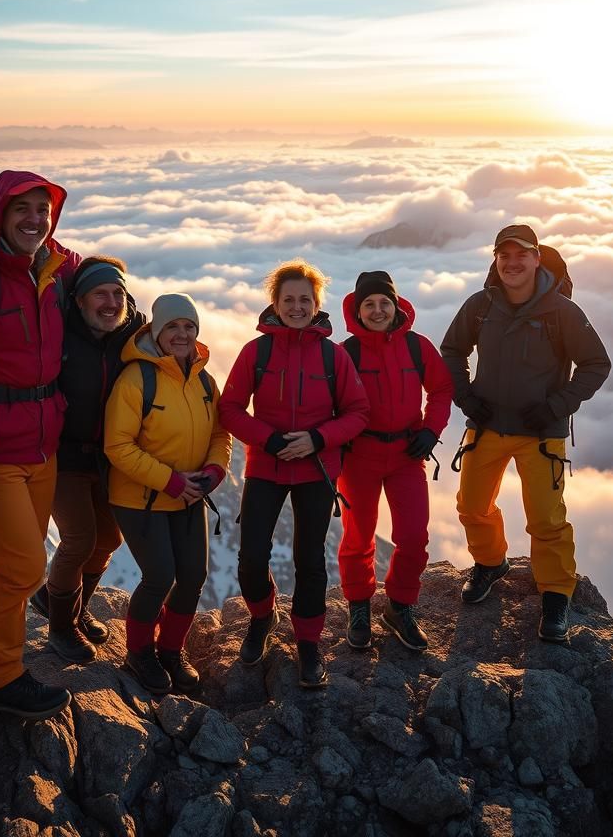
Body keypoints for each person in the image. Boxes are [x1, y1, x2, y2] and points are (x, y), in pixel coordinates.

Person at [440, 224, 611, 643]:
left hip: (541, 433)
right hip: (487, 425)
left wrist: (556, 406)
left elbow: (596, 364)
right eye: (504, 256)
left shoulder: (563, 313)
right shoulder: (480, 306)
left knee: (546, 519)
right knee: (472, 505)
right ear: (496, 261)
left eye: (522, 255)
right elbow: (451, 351)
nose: (512, 263)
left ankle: (555, 593)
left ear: (538, 258)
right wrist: (466, 397)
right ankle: (490, 563)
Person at [220, 260, 369, 688]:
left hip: (317, 469)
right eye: (289, 300)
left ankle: (308, 645)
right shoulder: (257, 352)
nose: (297, 306)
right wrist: (267, 439)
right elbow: (229, 408)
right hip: (266, 467)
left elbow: (358, 412)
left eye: (305, 299)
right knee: (251, 558)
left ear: (316, 304)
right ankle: (263, 617)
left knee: (309, 559)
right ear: (276, 304)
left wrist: (318, 438)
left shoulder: (332, 355)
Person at [0, 170, 77, 719]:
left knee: (20, 565)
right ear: (0, 215)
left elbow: (94, 273)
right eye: (22, 210)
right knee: (21, 569)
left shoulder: (52, 270)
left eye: (44, 209)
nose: (36, 219)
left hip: (44, 442)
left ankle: (0, 664)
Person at [103, 293, 231, 694]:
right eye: (173, 326)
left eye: (189, 327)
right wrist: (172, 480)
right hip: (139, 497)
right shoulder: (135, 379)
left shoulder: (205, 380)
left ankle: (171, 651)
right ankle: (139, 652)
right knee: (160, 575)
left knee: (192, 576)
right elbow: (117, 445)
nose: (182, 334)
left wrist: (214, 471)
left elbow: (219, 433)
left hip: (191, 493)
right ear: (157, 332)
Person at [30, 256, 146, 662]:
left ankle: (64, 606)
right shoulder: (60, 335)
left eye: (118, 293)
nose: (111, 301)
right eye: (101, 293)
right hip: (63, 453)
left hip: (110, 456)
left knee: (110, 539)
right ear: (79, 300)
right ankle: (60, 629)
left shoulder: (131, 334)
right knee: (79, 538)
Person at [337, 271, 453, 652]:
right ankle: (359, 606)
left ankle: (399, 607)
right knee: (358, 536)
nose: (377, 310)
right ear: (357, 310)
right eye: (368, 304)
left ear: (396, 305)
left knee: (414, 536)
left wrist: (431, 431)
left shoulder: (418, 347)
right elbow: (330, 404)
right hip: (360, 457)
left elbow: (440, 390)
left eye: (384, 302)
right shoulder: (346, 353)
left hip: (407, 454)